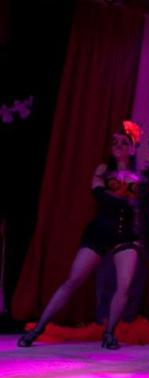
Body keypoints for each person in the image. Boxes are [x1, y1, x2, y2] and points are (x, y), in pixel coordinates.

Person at [17, 121, 142, 350]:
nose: (118, 146)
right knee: (73, 280)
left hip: (126, 234)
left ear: (133, 149)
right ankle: (37, 329)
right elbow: (98, 193)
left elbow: (144, 204)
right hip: (100, 230)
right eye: (115, 142)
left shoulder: (139, 177)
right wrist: (127, 200)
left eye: (124, 143)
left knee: (124, 285)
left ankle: (109, 333)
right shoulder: (103, 170)